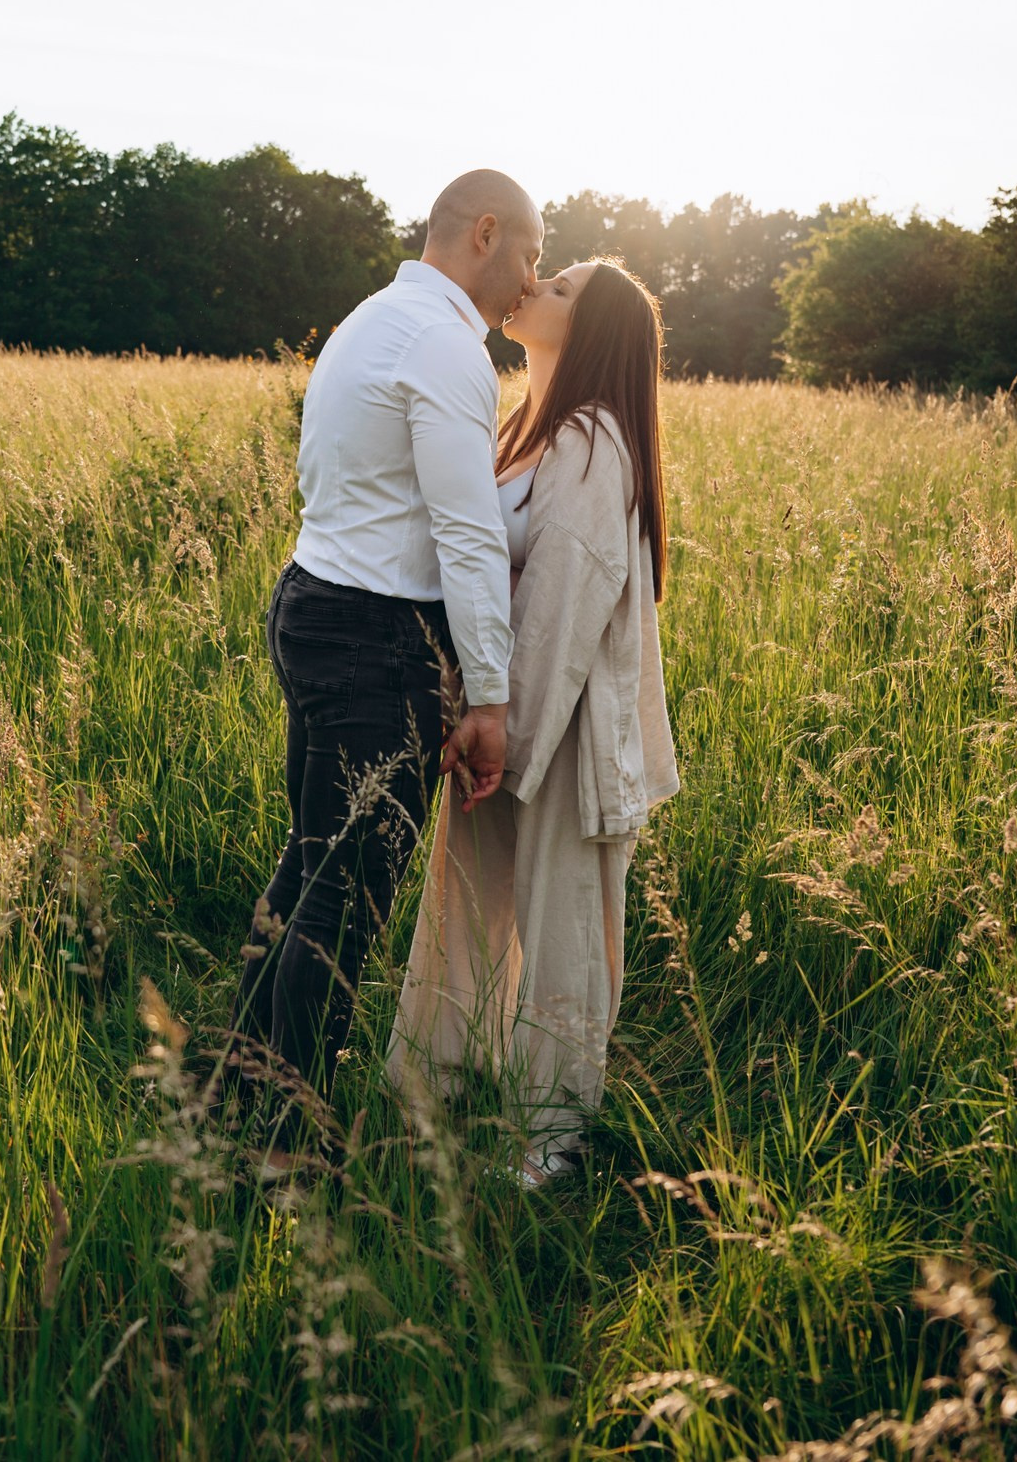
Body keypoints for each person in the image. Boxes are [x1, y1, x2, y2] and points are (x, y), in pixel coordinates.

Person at [228, 169, 542, 1163]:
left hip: (314, 601)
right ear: (484, 233)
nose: (530, 280)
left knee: (309, 861)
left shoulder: (377, 316)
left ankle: (234, 1093)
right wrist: (486, 695)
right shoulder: (445, 346)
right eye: (529, 254)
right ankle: (291, 1147)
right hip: (369, 635)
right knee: (345, 894)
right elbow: (464, 529)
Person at [385, 259, 679, 1189]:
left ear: (587, 329)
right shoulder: (529, 428)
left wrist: (511, 729)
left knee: (561, 927)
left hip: (560, 723)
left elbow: (564, 605)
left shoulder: (593, 439)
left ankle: (552, 1139)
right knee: (463, 906)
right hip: (498, 712)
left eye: (557, 287)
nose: (532, 286)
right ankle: (438, 1081)